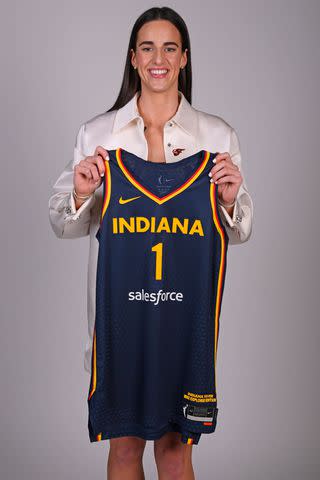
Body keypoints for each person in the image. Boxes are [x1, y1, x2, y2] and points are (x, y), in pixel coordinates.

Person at [48, 6, 253, 480]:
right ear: (134, 59)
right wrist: (80, 192)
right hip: (121, 315)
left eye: (169, 47)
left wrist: (228, 198)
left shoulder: (217, 137)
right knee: (123, 450)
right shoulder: (97, 135)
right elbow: (63, 223)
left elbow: (240, 229)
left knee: (175, 453)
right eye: (147, 47)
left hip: (184, 317)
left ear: (184, 57)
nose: (158, 58)